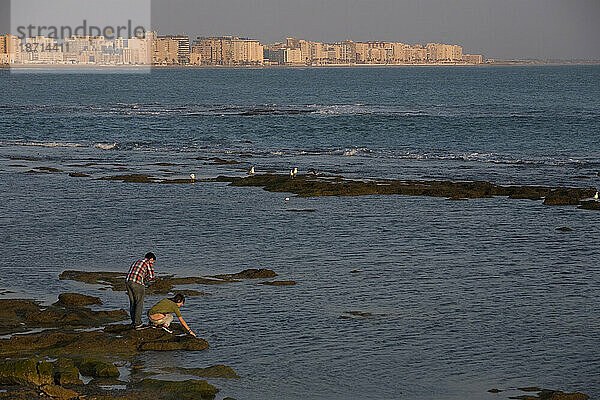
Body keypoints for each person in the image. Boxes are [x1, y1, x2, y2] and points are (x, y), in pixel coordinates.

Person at [126, 252, 156, 330]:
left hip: (128, 282)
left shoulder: (136, 261)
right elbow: (152, 276)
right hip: (137, 283)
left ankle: (134, 322)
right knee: (139, 303)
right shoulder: (148, 262)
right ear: (151, 259)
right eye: (153, 261)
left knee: (133, 303)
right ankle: (138, 324)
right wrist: (144, 280)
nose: (153, 263)